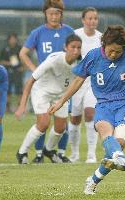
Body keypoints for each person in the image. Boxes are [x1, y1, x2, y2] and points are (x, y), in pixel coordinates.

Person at [48, 25, 125, 195]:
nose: (114, 55)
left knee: (119, 143)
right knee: (105, 133)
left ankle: (94, 179)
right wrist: (62, 101)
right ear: (104, 44)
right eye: (111, 51)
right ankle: (114, 159)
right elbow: (78, 80)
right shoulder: (93, 56)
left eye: (118, 52)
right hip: (103, 105)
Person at [19, 0, 74, 163]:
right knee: (43, 122)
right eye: (51, 13)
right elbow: (23, 53)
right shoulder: (38, 32)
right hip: (43, 82)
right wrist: (34, 69)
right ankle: (29, 153)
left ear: (61, 14)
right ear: (45, 14)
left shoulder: (69, 31)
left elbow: (77, 54)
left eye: (57, 13)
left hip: (63, 83)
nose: (54, 17)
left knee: (61, 125)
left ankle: (50, 151)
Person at [15, 34, 82, 164]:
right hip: (42, 92)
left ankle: (49, 150)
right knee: (43, 124)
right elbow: (30, 81)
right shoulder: (53, 60)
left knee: (60, 128)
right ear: (65, 47)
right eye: (72, 47)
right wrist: (22, 105)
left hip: (61, 96)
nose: (76, 50)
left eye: (79, 47)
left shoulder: (81, 63)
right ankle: (22, 152)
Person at [69, 7, 102, 163]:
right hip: (77, 80)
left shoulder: (101, 38)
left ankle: (91, 154)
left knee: (90, 114)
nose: (92, 21)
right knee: (75, 118)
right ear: (83, 20)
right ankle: (74, 154)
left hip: (93, 82)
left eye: (95, 18)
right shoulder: (76, 35)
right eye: (89, 18)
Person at [0, 33, 23, 112]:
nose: (13, 40)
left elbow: (25, 59)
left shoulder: (20, 48)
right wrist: (10, 63)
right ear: (8, 40)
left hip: (17, 73)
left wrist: (22, 67)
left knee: (19, 90)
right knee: (7, 90)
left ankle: (20, 107)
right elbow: (1, 61)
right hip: (7, 73)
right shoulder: (5, 49)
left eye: (14, 39)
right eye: (11, 39)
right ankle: (7, 107)